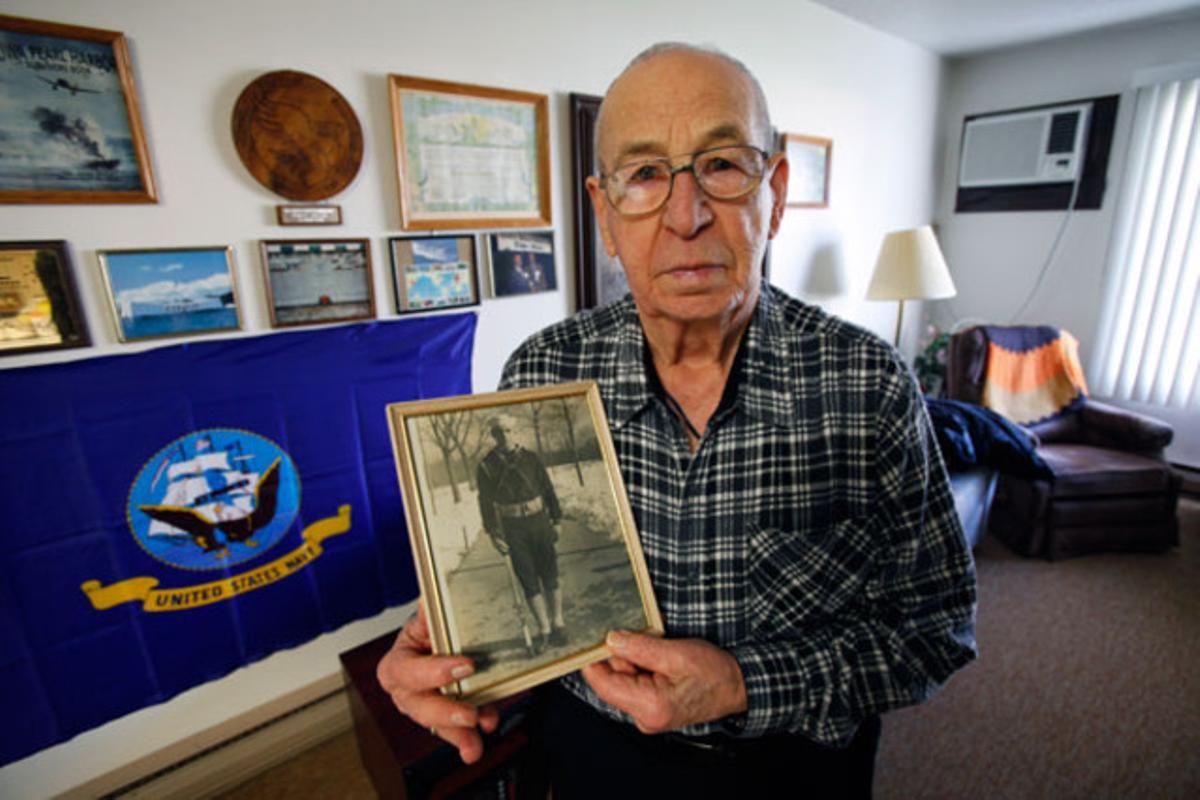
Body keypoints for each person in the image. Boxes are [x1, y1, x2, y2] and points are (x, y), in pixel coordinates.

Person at [378, 42, 976, 798]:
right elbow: (522, 613)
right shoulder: (541, 373)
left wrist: (744, 683)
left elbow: (937, 629)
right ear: (604, 212)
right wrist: (452, 659)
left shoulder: (865, 383)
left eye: (722, 165)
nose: (686, 216)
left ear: (776, 193)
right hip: (595, 759)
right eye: (645, 175)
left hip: (794, 770)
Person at [476, 414, 566, 652]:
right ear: (493, 436)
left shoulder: (531, 458)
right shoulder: (486, 466)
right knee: (527, 579)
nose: (504, 436)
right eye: (498, 432)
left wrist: (556, 519)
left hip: (539, 521)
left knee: (550, 573)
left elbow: (548, 489)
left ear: (514, 432)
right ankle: (544, 629)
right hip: (513, 528)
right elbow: (485, 503)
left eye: (508, 430)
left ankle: (558, 623)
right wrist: (494, 534)